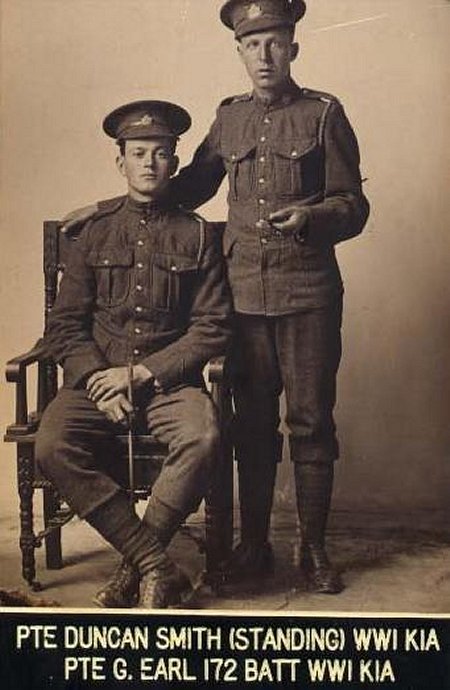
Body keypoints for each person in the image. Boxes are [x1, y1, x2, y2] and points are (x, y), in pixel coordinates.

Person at [62, 0, 370, 594]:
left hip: (308, 294)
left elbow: (353, 205)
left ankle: (312, 548)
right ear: (240, 52)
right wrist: (104, 207)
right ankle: (254, 545)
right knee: (251, 423)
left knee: (310, 422)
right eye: (252, 45)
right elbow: (181, 188)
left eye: (274, 43)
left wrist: (311, 217)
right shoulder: (229, 119)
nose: (264, 55)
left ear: (293, 47)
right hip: (244, 300)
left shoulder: (324, 113)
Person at [35, 100, 232, 609]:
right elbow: (64, 325)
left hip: (169, 382)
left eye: (160, 153)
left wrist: (145, 373)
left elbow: (212, 326)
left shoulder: (197, 235)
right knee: (51, 446)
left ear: (175, 162)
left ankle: (134, 568)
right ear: (120, 161)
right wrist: (97, 381)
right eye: (139, 153)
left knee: (204, 437)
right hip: (97, 382)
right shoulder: (93, 233)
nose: (149, 163)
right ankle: (154, 564)